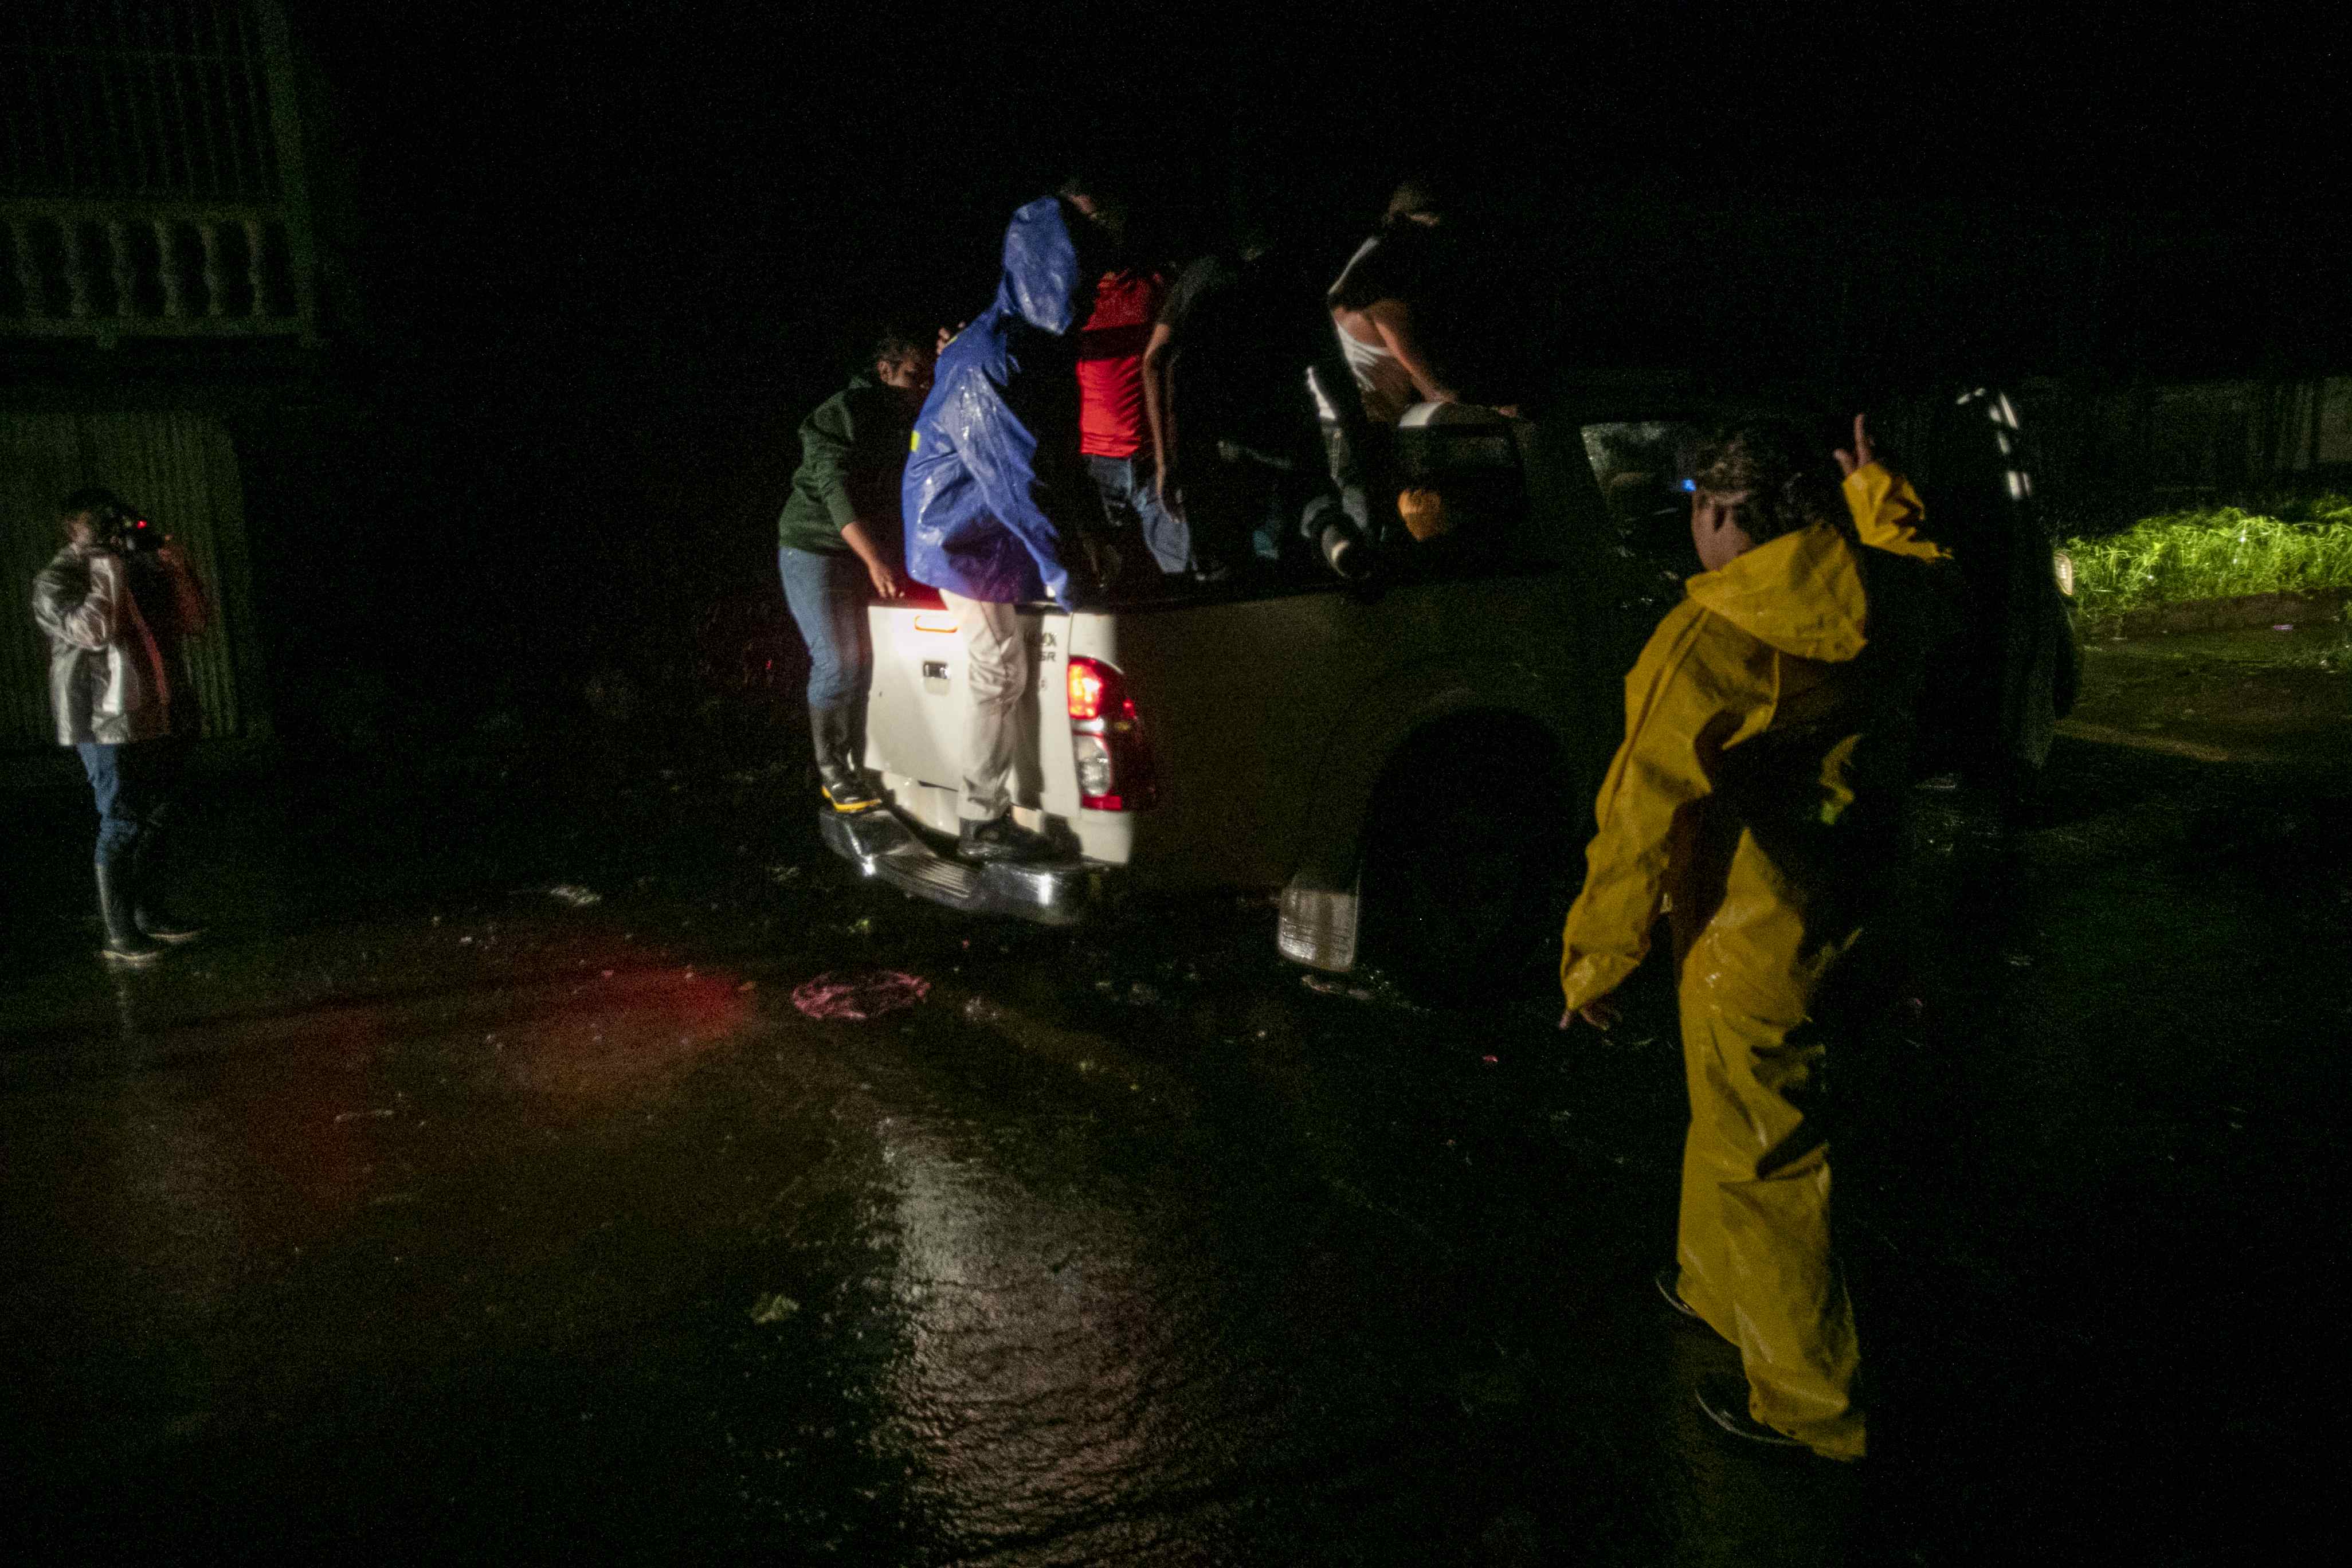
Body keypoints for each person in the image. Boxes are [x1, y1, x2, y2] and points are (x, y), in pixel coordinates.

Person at [1555, 417, 1950, 1462]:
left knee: (1764, 1158)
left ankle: (1808, 1405)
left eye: (1696, 506)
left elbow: (1638, 810)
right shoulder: (1875, 594)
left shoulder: (1707, 637)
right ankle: (1707, 1286)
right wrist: (1876, 497)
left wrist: (1598, 955)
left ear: (1720, 514)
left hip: (1743, 938)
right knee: (1731, 1122)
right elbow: (1919, 563)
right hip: (1843, 908)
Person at [902, 194, 1102, 864]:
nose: (1085, 295)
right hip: (962, 537)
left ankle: (1007, 806)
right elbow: (1018, 482)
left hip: (977, 528)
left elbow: (1053, 462)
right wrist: (1065, 567)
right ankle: (982, 821)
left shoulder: (1026, 345)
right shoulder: (991, 359)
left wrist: (1082, 535)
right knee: (997, 669)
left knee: (1006, 666)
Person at [30, 488, 214, 966]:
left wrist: (176, 565)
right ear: (74, 529)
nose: (115, 533)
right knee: (121, 819)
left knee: (158, 812)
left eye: (119, 523)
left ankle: (147, 913)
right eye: (101, 525)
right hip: (104, 721)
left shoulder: (141, 570)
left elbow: (197, 621)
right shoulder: (57, 579)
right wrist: (105, 567)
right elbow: (94, 632)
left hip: (162, 710)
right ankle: (118, 932)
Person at [1141, 222, 1370, 579]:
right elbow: (1333, 375)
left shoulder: (1199, 276)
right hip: (1287, 426)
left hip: (1214, 438)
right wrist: (1361, 443)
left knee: (1224, 564)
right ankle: (1332, 532)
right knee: (1307, 522)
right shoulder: (1297, 282)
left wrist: (1165, 461)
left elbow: (1155, 361)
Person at [777, 326, 936, 813]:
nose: (923, 387)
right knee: (838, 661)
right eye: (914, 377)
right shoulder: (842, 413)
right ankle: (831, 772)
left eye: (929, 377)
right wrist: (875, 558)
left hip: (865, 551)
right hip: (815, 546)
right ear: (885, 371)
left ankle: (863, 760)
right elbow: (835, 492)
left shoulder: (907, 415)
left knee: (870, 661)